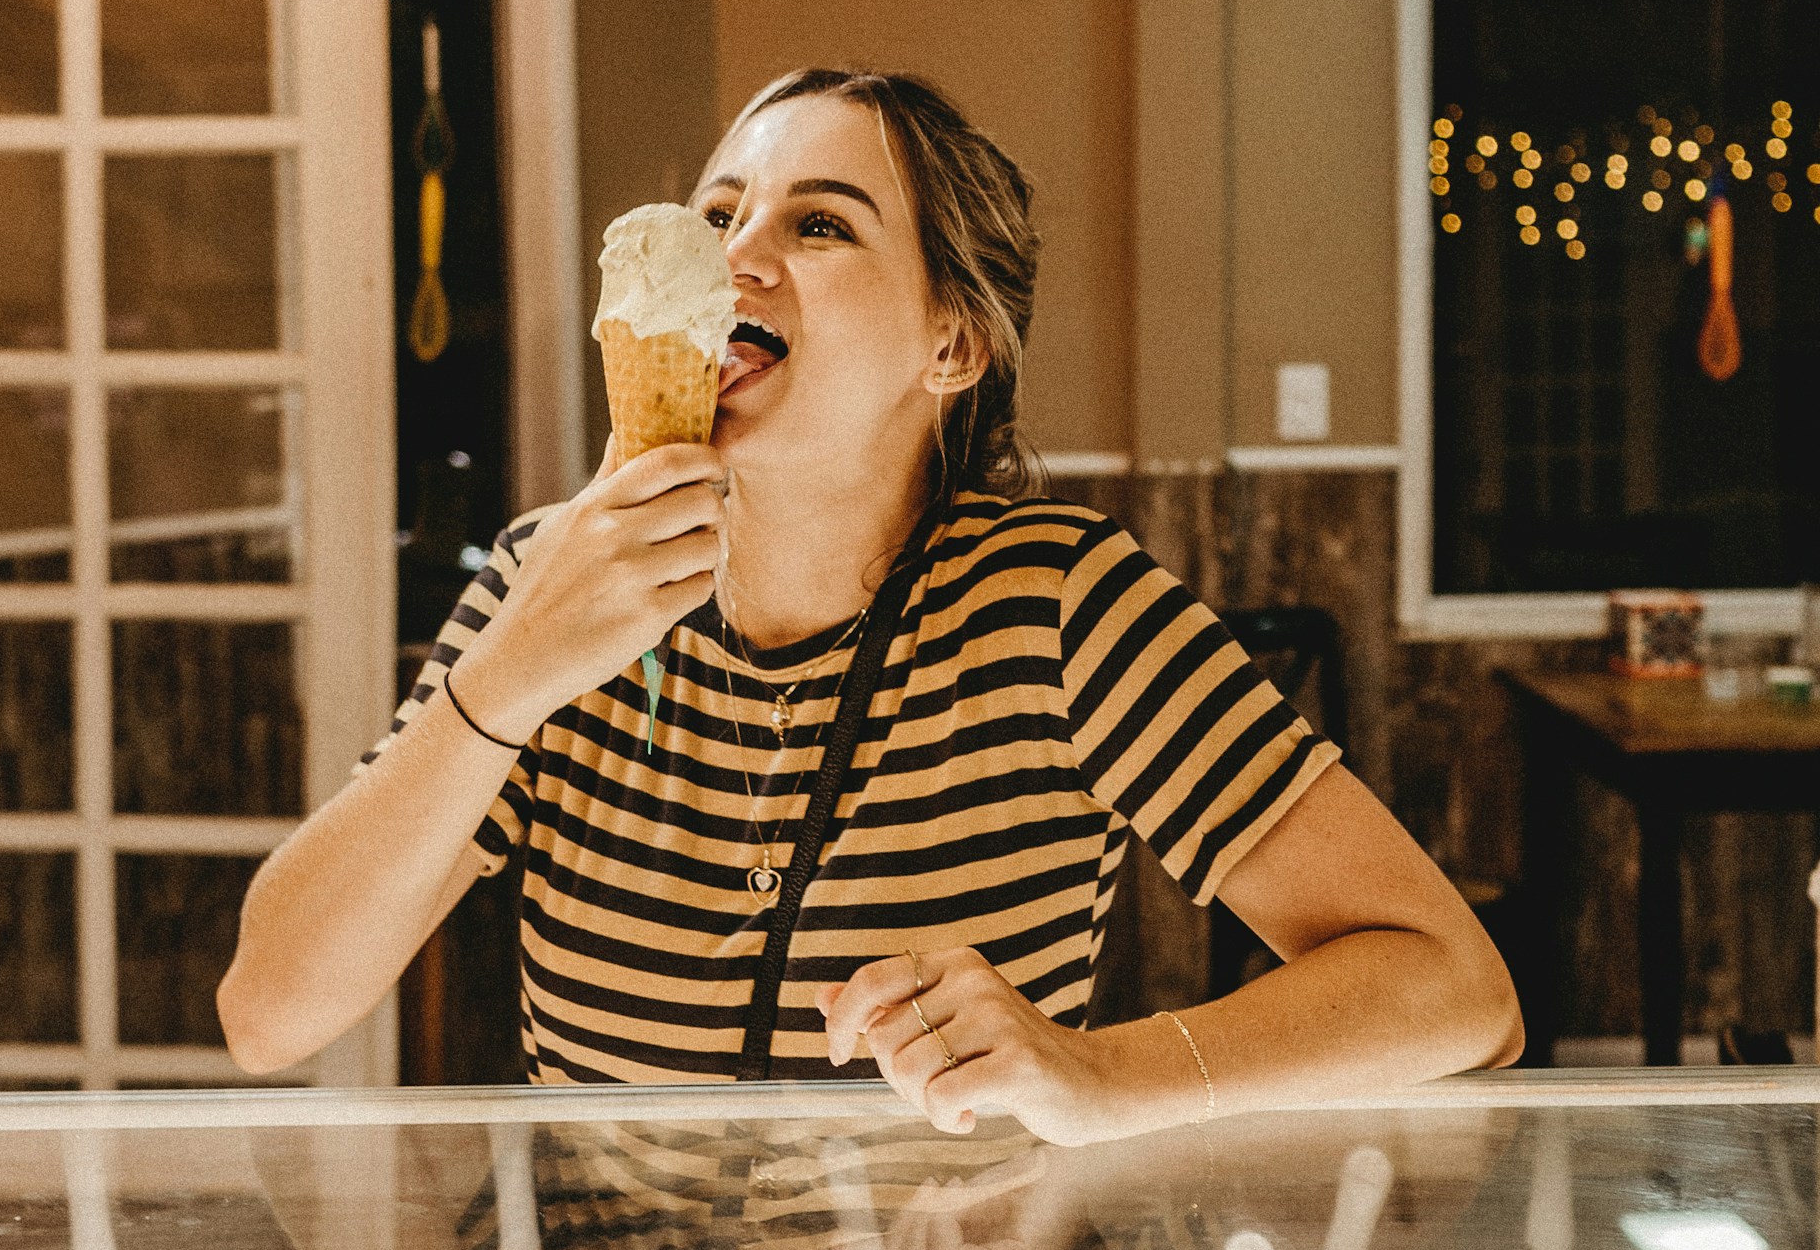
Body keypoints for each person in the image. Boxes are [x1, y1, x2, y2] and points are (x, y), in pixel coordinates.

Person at [219, 67, 1521, 1138]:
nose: (738, 255)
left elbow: (1457, 993)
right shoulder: (540, 592)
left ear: (950, 344)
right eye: (720, 212)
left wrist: (1098, 1076)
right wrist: (502, 683)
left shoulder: (1058, 611)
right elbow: (268, 1012)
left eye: (819, 223)